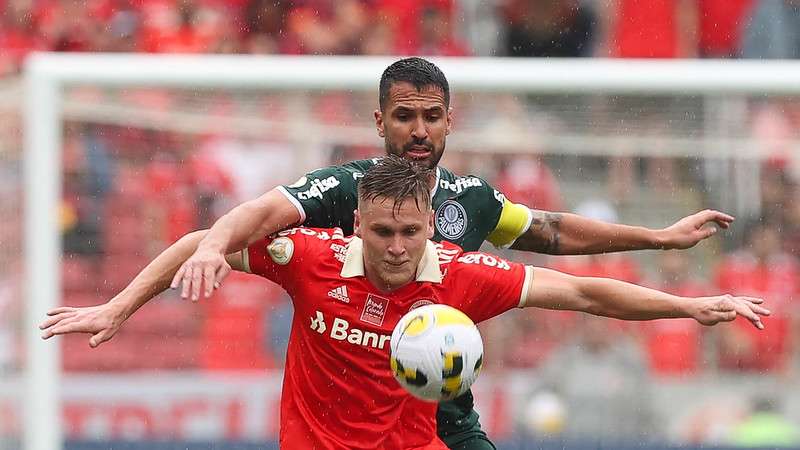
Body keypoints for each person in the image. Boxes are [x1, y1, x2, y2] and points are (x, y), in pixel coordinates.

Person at [43, 57, 736, 450]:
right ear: (381, 123)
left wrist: (659, 240)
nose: (418, 129)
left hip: (440, 410)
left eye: (430, 116)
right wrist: (208, 252)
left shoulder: (471, 206)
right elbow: (254, 216)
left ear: (447, 122)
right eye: (404, 116)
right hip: (346, 399)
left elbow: (555, 240)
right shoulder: (340, 197)